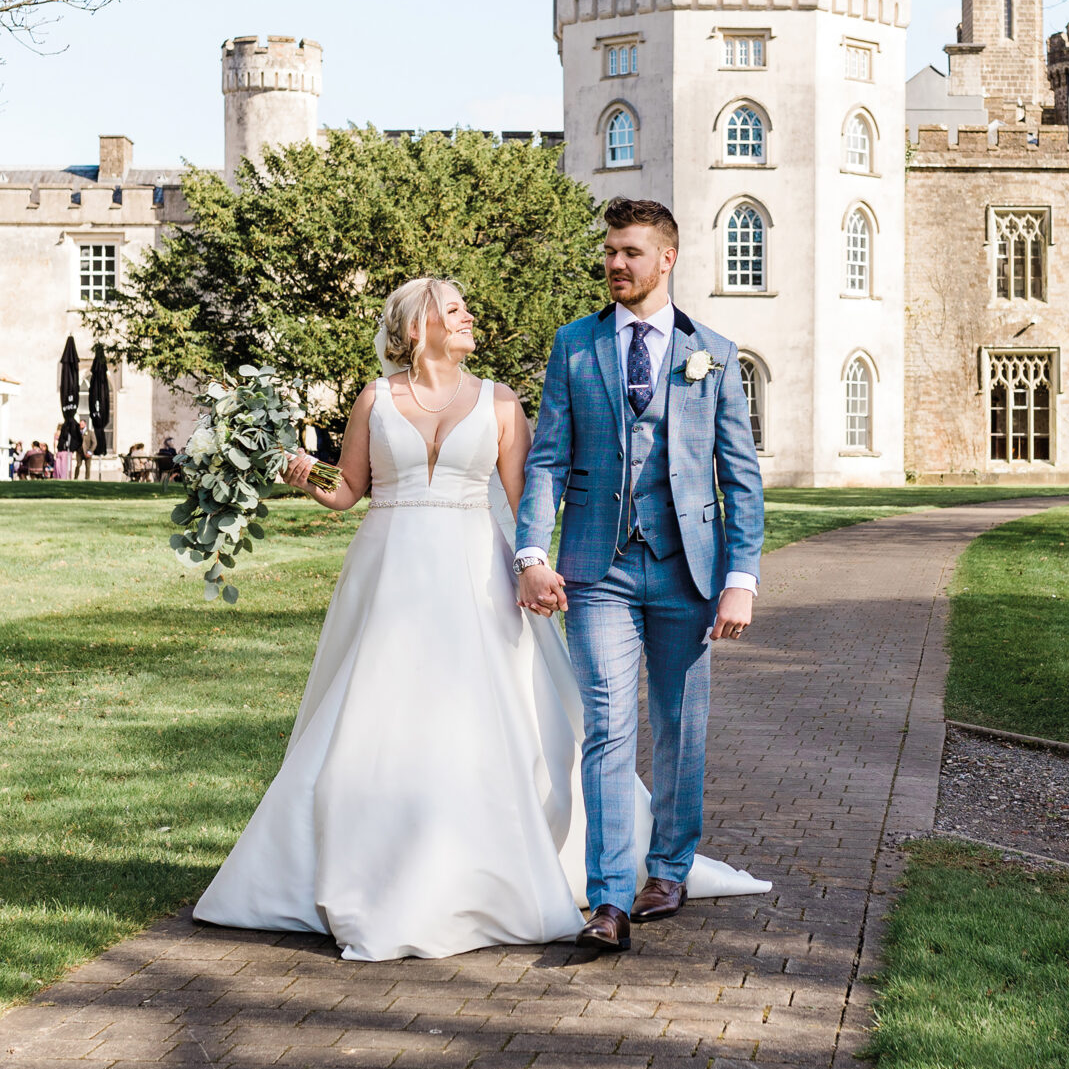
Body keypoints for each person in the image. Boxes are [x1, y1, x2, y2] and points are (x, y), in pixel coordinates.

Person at [190, 274, 766, 961]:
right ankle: (365, 862)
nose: (468, 318)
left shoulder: (499, 401)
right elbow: (347, 490)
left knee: (487, 718)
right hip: (389, 575)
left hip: (475, 575)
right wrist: (296, 470)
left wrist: (537, 563)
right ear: (416, 328)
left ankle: (507, 865)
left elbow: (532, 493)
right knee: (374, 718)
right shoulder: (374, 399)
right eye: (454, 309)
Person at [515, 197, 766, 952]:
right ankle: (607, 900)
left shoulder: (713, 352)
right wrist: (533, 553)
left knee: (682, 726)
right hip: (599, 568)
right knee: (608, 725)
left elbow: (740, 477)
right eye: (610, 251)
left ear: (667, 258)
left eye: (630, 252)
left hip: (689, 572)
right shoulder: (575, 345)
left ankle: (669, 867)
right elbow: (548, 457)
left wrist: (742, 575)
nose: (615, 264)